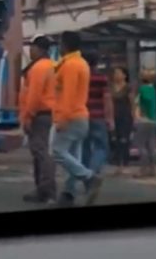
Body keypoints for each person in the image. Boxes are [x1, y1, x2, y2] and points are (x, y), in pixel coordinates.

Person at [51, 31, 102, 207]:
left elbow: (68, 94)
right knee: (73, 156)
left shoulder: (71, 65)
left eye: (59, 43)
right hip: (80, 116)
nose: (58, 46)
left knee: (57, 151)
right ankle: (68, 194)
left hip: (71, 116)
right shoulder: (79, 63)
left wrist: (63, 118)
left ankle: (88, 177)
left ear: (65, 45)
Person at [18, 35, 57, 204]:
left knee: (41, 153)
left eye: (32, 48)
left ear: (39, 49)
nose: (30, 51)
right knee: (41, 153)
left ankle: (47, 190)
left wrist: (28, 116)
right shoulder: (53, 65)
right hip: (48, 113)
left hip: (39, 114)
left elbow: (34, 95)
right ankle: (42, 189)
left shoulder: (39, 68)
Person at [82, 53, 113, 176]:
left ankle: (86, 176)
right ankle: (93, 171)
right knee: (102, 147)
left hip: (82, 116)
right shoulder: (101, 78)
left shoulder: (80, 77)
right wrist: (110, 118)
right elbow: (106, 98)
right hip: (98, 116)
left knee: (85, 148)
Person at [135, 69, 156, 178]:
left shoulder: (141, 90)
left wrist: (137, 117)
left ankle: (143, 170)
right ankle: (152, 169)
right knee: (151, 145)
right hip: (153, 120)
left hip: (143, 120)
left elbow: (137, 103)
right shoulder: (153, 89)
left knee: (141, 145)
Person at [111, 67, 135, 175]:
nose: (116, 75)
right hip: (114, 116)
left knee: (124, 140)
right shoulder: (111, 87)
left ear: (124, 75)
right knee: (116, 140)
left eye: (118, 73)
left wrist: (134, 116)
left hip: (125, 116)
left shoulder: (128, 88)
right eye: (115, 73)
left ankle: (125, 164)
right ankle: (118, 165)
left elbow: (132, 102)